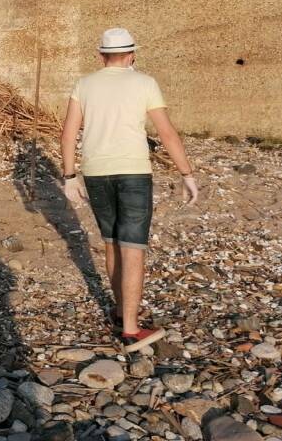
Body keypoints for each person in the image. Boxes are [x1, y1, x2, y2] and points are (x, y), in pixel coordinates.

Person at [60, 27, 198, 353]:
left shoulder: (85, 84)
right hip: (134, 172)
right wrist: (187, 173)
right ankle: (131, 331)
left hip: (95, 172)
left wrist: (69, 177)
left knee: (111, 242)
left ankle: (122, 312)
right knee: (133, 247)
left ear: (101, 55)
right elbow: (166, 133)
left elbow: (67, 135)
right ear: (132, 54)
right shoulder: (144, 83)